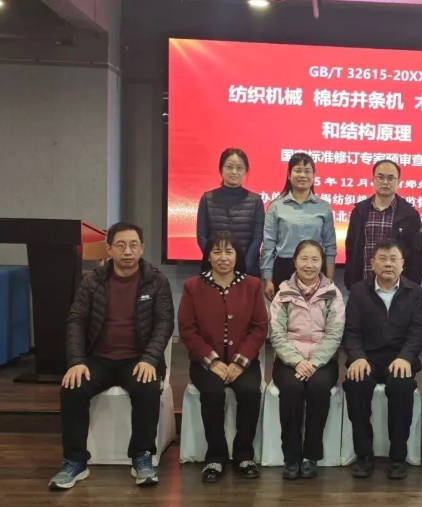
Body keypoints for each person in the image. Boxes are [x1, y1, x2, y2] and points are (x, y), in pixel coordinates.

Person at [49, 222, 174, 490]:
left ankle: (142, 456)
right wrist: (76, 362)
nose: (127, 251)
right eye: (121, 245)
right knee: (72, 388)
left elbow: (164, 323)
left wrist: (150, 359)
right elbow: (76, 320)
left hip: (138, 359)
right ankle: (75, 461)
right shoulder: (92, 281)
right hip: (98, 359)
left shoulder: (156, 280)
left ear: (142, 248)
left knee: (147, 388)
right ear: (109, 249)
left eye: (133, 245)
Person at [178, 231, 268, 482]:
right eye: (216, 252)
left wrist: (240, 362)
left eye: (229, 251)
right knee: (213, 393)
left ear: (237, 256)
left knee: (249, 392)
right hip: (205, 363)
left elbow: (260, 327)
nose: (223, 258)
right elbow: (187, 329)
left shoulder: (252, 285)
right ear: (208, 256)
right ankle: (215, 457)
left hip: (244, 362)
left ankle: (244, 455)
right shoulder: (193, 286)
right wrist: (212, 361)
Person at [342, 239, 422, 480]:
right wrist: (357, 357)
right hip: (367, 358)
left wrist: (405, 358)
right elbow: (351, 332)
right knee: (356, 385)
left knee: (401, 387)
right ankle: (364, 456)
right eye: (382, 259)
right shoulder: (359, 291)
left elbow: (417, 332)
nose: (388, 264)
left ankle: (398, 457)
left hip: (399, 359)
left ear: (403, 264)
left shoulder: (414, 292)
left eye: (393, 259)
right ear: (372, 263)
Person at [269, 240, 344, 480]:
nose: (309, 265)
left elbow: (335, 334)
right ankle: (291, 456)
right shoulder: (283, 293)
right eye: (304, 259)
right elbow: (277, 334)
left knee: (318, 388)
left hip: (322, 360)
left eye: (315, 260)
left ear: (322, 263)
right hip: (288, 360)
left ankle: (311, 455)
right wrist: (296, 361)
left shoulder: (332, 293)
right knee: (291, 388)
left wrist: (314, 362)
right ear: (295, 262)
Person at [262, 152, 336, 300]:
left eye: (307, 171)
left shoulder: (323, 207)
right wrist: (267, 279)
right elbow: (268, 246)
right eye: (298, 170)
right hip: (284, 268)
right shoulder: (276, 206)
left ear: (313, 176)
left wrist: (329, 279)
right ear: (289, 175)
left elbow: (330, 246)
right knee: (284, 313)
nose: (302, 175)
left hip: (314, 268)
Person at [344, 159, 422, 290]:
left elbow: (417, 256)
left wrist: (410, 288)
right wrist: (351, 283)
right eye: (380, 177)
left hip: (398, 289)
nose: (385, 182)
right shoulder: (359, 211)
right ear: (373, 180)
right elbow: (351, 249)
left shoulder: (410, 215)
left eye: (391, 178)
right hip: (363, 287)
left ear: (398, 181)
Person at [196, 148, 264, 276]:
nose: (234, 172)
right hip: (214, 270)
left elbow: (257, 238)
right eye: (229, 167)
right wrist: (214, 261)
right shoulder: (207, 199)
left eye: (239, 168)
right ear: (221, 169)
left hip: (247, 271)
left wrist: (244, 266)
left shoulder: (256, 201)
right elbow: (201, 236)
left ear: (246, 171)